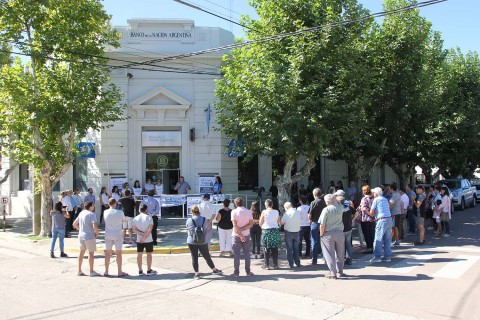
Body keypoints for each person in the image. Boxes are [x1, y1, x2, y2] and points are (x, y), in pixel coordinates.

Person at [186, 205, 223, 280]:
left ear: (192, 212)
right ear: (199, 211)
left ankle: (196, 274)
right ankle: (214, 269)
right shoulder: (204, 219)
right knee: (207, 256)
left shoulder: (189, 220)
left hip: (192, 241)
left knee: (194, 257)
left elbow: (188, 228)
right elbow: (206, 229)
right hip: (203, 241)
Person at [319, 193, 346, 279]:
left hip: (328, 233)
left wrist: (321, 234)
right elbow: (338, 202)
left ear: (327, 201)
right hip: (339, 232)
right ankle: (340, 271)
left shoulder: (326, 210)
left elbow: (322, 224)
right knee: (340, 253)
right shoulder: (340, 207)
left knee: (329, 253)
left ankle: (333, 273)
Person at [73, 201, 100, 277]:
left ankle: (79, 270)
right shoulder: (92, 214)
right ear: (91, 206)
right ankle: (91, 271)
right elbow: (94, 225)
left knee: (81, 252)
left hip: (81, 235)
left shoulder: (81, 213)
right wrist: (97, 233)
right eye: (93, 206)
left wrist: (80, 229)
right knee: (91, 253)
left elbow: (74, 224)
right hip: (89, 236)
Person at [103, 198, 128, 277]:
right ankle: (119, 271)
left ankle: (106, 271)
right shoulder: (120, 212)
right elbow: (124, 220)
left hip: (108, 234)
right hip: (117, 233)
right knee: (118, 253)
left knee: (107, 253)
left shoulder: (105, 212)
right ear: (115, 203)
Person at [231, 197, 254, 277]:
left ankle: (236, 272)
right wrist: (243, 231)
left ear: (235, 203)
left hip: (236, 235)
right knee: (247, 253)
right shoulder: (248, 212)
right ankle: (248, 272)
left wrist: (240, 234)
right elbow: (251, 224)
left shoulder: (234, 212)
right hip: (246, 234)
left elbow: (235, 225)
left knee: (236, 254)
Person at [132, 204, 157, 276]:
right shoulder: (149, 218)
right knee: (149, 254)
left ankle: (140, 270)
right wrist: (145, 236)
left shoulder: (135, 218)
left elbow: (133, 229)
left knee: (139, 254)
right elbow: (150, 229)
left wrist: (141, 234)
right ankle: (149, 270)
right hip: (148, 239)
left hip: (139, 239)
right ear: (146, 210)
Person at [369, 187, 392, 263]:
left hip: (381, 220)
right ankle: (387, 257)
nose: (373, 194)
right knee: (387, 239)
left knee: (378, 239)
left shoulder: (376, 200)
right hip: (389, 218)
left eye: (373, 193)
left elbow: (372, 212)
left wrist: (369, 213)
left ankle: (377, 257)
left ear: (376, 193)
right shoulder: (385, 199)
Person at [259, 199, 281, 270]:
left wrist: (263, 227)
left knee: (266, 248)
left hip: (266, 230)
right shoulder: (276, 212)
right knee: (275, 248)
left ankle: (267, 265)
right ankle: (275, 264)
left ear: (266, 205)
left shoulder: (264, 212)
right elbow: (279, 222)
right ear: (272, 204)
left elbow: (260, 222)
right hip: (275, 230)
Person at [337, 190, 356, 265]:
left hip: (342, 229)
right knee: (348, 244)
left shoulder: (338, 209)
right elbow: (355, 212)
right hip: (349, 228)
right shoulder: (348, 207)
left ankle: (342, 258)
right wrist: (352, 219)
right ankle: (349, 259)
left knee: (341, 245)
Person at [281, 202, 302, 268]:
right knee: (296, 248)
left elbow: (282, 222)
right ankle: (297, 262)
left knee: (289, 248)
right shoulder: (298, 212)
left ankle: (291, 263)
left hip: (288, 232)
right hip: (297, 231)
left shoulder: (286, 213)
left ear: (286, 207)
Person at [308, 188, 326, 265]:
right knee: (324, 241)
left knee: (314, 241)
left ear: (314, 195)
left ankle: (314, 259)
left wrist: (310, 220)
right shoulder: (324, 202)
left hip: (315, 222)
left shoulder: (313, 202)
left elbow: (310, 214)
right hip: (323, 223)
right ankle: (325, 258)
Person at [359, 185, 375, 254]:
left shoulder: (364, 199)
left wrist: (369, 214)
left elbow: (364, 209)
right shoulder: (373, 198)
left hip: (366, 218)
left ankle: (369, 248)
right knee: (371, 232)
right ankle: (372, 246)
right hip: (372, 218)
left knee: (366, 233)